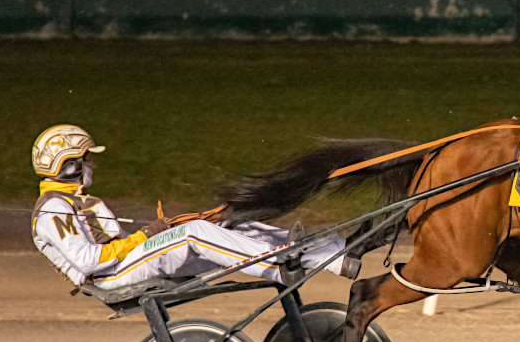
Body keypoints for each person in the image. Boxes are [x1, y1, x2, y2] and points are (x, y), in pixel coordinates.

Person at [30, 124, 360, 290]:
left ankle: (332, 254)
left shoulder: (71, 201)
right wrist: (144, 235)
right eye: (86, 159)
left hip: (128, 262)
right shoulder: (54, 209)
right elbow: (88, 260)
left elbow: (110, 245)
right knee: (197, 232)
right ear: (68, 165)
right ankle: (277, 268)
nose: (92, 165)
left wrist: (152, 234)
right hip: (113, 277)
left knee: (232, 224)